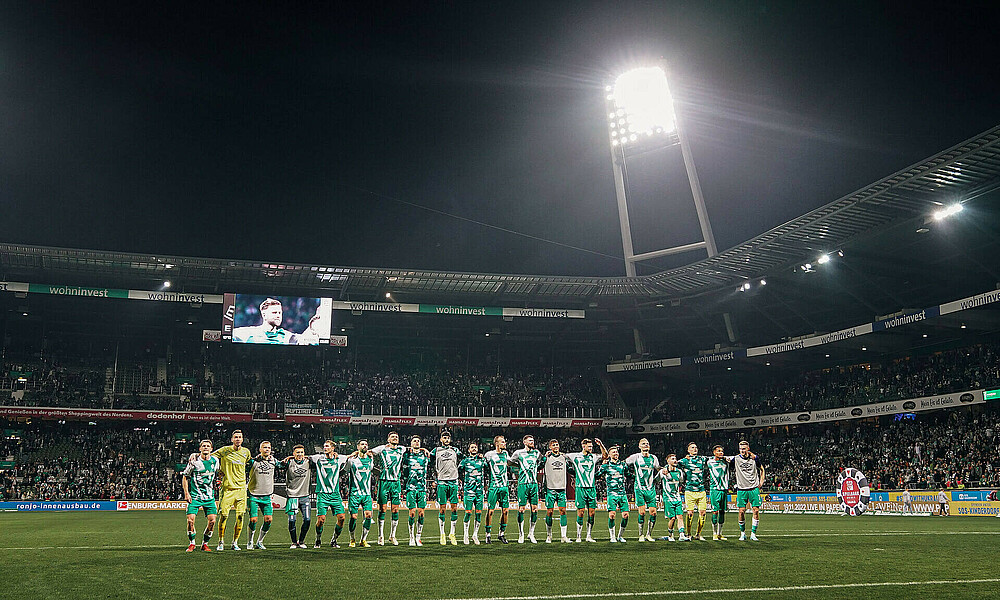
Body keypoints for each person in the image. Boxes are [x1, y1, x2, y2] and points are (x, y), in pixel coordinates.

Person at [212, 430, 252, 551]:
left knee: (240, 516)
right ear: (232, 439)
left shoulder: (246, 452)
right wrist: (218, 468)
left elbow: (249, 463)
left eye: (240, 437)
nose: (238, 439)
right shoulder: (225, 450)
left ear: (242, 439)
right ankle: (221, 541)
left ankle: (235, 542)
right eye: (236, 437)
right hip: (227, 489)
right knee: (224, 516)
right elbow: (211, 456)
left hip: (241, 489)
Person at [566, 438, 607, 542]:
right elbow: (563, 456)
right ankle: (578, 536)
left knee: (592, 513)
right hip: (580, 488)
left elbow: (605, 456)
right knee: (580, 512)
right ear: (583, 446)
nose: (591, 448)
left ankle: (588, 535)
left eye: (592, 446)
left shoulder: (593, 457)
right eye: (589, 446)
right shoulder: (575, 456)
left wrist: (601, 444)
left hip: (591, 488)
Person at [182, 439, 219, 552]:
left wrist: (220, 481)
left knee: (212, 521)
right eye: (203, 446)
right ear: (200, 449)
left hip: (209, 497)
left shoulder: (215, 461)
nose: (206, 447)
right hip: (195, 497)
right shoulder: (194, 462)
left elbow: (218, 472)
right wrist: (186, 493)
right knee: (190, 520)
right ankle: (192, 543)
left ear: (211, 449)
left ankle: (205, 544)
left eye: (208, 446)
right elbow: (185, 477)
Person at [311, 440, 348, 549]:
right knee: (321, 519)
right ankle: (318, 539)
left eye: (327, 446)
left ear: (333, 448)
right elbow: (304, 457)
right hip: (322, 494)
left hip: (335, 495)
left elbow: (351, 456)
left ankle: (334, 540)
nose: (325, 448)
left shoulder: (339, 458)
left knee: (341, 518)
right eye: (324, 446)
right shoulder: (318, 458)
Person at [371, 432, 406, 546]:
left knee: (395, 510)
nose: (395, 438)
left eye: (396, 437)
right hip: (384, 482)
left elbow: (413, 448)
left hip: (396, 483)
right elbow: (369, 452)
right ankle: (381, 536)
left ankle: (392, 536)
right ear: (388, 439)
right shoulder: (382, 448)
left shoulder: (402, 449)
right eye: (392, 437)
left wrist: (422, 449)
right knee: (382, 509)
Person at [430, 431, 462, 545]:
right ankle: (442, 533)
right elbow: (428, 461)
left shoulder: (455, 450)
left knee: (454, 508)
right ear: (441, 439)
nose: (446, 439)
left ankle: (452, 533)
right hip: (442, 481)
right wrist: (435, 477)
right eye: (444, 437)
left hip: (453, 481)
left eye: (448, 438)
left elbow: (464, 459)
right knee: (442, 509)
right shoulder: (436, 450)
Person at [625, 438, 661, 542]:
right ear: (639, 446)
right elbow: (624, 464)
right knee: (642, 513)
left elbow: (658, 468)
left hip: (650, 489)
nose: (646, 445)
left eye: (647, 444)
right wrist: (629, 475)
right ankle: (641, 534)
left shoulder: (653, 458)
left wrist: (665, 470)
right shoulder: (635, 457)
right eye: (643, 444)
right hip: (639, 489)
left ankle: (649, 534)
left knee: (653, 512)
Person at [508, 435, 541, 544]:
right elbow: (509, 462)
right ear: (525, 442)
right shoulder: (518, 453)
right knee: (521, 509)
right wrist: (519, 465)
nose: (532, 442)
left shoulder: (537, 453)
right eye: (530, 440)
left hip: (533, 484)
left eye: (533, 440)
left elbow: (541, 462)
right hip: (522, 483)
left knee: (535, 509)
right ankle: (521, 534)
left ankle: (531, 533)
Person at [246, 440, 279, 550]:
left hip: (267, 495)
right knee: (253, 520)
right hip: (254, 495)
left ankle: (259, 541)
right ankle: (250, 541)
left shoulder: (274, 461)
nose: (267, 449)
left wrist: (289, 458)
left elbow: (285, 464)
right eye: (265, 447)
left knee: (268, 519)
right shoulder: (253, 462)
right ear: (260, 450)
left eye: (269, 448)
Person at [401, 435, 431, 546]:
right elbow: (404, 472)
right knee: (412, 512)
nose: (417, 442)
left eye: (418, 441)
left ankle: (418, 537)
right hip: (411, 488)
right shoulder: (407, 456)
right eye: (414, 441)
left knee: (421, 513)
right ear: (411, 443)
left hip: (422, 488)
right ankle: (411, 537)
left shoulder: (425, 456)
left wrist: (424, 450)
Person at [677, 442, 710, 541]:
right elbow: (673, 463)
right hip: (689, 491)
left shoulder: (702, 459)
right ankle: (688, 533)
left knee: (703, 513)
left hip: (701, 490)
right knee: (690, 513)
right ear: (688, 450)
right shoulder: (685, 461)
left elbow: (714, 458)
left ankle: (698, 534)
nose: (695, 449)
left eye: (696, 447)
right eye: (692, 448)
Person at [540, 439, 571, 543]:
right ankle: (549, 535)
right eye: (553, 445)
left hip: (562, 489)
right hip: (550, 489)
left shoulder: (564, 458)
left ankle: (563, 536)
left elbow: (570, 469)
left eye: (557, 444)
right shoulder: (547, 458)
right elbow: (539, 465)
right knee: (550, 511)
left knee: (563, 511)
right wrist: (544, 456)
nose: (556, 446)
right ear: (550, 447)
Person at [732, 441, 764, 541]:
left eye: (744, 448)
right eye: (741, 449)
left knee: (756, 510)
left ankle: (753, 534)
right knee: (741, 511)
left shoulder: (755, 458)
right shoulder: (736, 459)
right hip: (741, 489)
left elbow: (762, 469)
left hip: (753, 488)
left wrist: (761, 482)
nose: (742, 450)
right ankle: (742, 533)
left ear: (748, 449)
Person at [282, 445, 313, 549]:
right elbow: (279, 464)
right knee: (291, 521)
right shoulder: (288, 463)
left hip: (305, 496)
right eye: (297, 452)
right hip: (292, 497)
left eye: (301, 452)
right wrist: (288, 458)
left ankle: (302, 540)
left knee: (308, 520)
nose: (300, 454)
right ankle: (294, 542)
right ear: (293, 453)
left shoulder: (309, 462)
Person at [232, 298, 300, 344]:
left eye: (280, 313)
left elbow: (304, 339)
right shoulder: (249, 333)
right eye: (274, 312)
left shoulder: (287, 336)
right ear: (264, 315)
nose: (278, 315)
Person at [346, 440, 376, 547]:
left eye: (366, 444)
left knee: (368, 516)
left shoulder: (370, 460)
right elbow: (345, 470)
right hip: (354, 494)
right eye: (362, 444)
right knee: (353, 517)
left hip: (367, 494)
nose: (365, 446)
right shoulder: (352, 461)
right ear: (358, 446)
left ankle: (363, 540)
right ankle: (352, 539)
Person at [598, 445, 629, 543]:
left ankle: (620, 536)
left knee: (625, 515)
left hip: (622, 493)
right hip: (612, 493)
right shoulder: (606, 466)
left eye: (617, 452)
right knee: (612, 515)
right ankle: (612, 536)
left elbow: (628, 474)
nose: (616, 453)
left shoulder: (623, 465)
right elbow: (597, 475)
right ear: (609, 454)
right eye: (613, 452)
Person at [483, 435, 511, 544]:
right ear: (497, 443)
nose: (505, 443)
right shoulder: (489, 455)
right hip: (493, 487)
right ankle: (488, 534)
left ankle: (501, 533)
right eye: (502, 442)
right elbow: (483, 466)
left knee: (505, 511)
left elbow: (511, 462)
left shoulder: (506, 454)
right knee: (490, 512)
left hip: (504, 487)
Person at [459, 442, 486, 545]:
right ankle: (466, 535)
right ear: (469, 450)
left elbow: (487, 469)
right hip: (469, 491)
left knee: (478, 513)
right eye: (472, 447)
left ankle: (475, 535)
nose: (474, 449)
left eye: (475, 447)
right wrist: (464, 481)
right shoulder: (465, 461)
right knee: (468, 512)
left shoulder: (482, 461)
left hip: (479, 491)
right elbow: (459, 470)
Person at [658, 454, 687, 542]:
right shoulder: (663, 472)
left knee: (680, 516)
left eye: (675, 458)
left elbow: (681, 481)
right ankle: (670, 535)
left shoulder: (679, 472)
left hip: (677, 498)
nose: (675, 460)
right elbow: (656, 480)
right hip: (668, 498)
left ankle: (682, 535)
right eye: (672, 459)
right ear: (668, 461)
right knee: (672, 518)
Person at [707, 445, 733, 541]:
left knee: (722, 511)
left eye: (722, 451)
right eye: (718, 451)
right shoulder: (710, 462)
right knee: (715, 511)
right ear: (714, 452)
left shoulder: (726, 462)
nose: (721, 452)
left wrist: (726, 458)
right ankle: (714, 533)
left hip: (724, 490)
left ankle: (720, 533)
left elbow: (735, 458)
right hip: (714, 489)